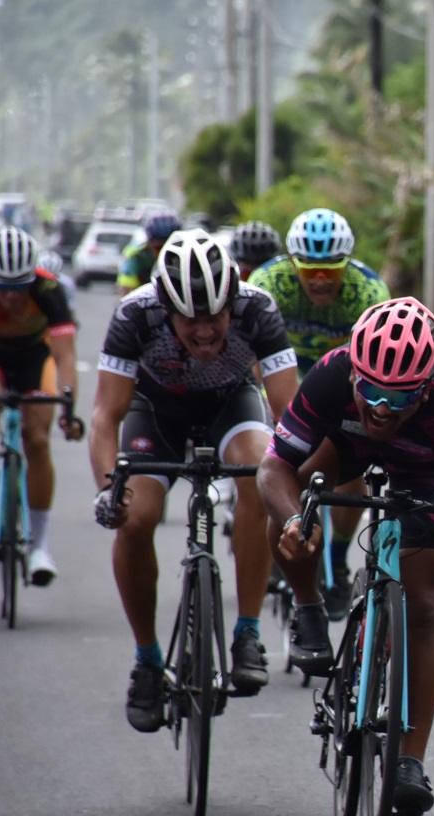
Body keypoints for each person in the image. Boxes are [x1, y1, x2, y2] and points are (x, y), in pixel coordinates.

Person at [258, 297, 434, 816]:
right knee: (294, 500)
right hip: (350, 445)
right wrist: (295, 520)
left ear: (426, 388)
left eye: (400, 395)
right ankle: (309, 608)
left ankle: (410, 761)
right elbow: (274, 468)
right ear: (354, 374)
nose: (382, 408)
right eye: (371, 391)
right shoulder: (332, 373)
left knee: (425, 605)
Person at [90, 231, 299, 732]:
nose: (204, 332)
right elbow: (105, 415)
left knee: (260, 476)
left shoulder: (257, 309)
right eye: (190, 320)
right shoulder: (135, 314)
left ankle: (247, 633)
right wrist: (108, 490)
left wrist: (297, 482)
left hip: (232, 403)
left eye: (215, 318)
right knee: (134, 518)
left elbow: (291, 413)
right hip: (156, 410)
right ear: (166, 310)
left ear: (232, 303)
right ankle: (146, 661)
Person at [248, 208, 390, 618]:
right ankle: (286, 526)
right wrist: (277, 410)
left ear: (348, 264)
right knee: (273, 458)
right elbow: (253, 357)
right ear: (294, 264)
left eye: (332, 269)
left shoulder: (368, 293)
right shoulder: (267, 285)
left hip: (341, 381)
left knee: (352, 465)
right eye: (311, 270)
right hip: (282, 376)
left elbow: (377, 363)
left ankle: (339, 560)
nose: (322, 279)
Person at [0, 227, 83, 583]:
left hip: (36, 357)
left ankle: (39, 547)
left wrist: (68, 408)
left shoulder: (50, 291)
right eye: (3, 287)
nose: (11, 295)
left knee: (37, 440)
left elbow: (65, 357)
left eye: (19, 286)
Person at [116, 211, 182, 298]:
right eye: (158, 247)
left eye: (168, 247)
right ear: (149, 243)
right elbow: (126, 287)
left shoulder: (186, 255)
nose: (163, 252)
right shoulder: (137, 255)